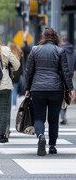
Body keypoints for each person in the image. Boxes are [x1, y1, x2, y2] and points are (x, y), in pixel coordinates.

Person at [25, 28, 75, 156]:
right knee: (53, 120)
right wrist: (71, 89)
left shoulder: (35, 50)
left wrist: (27, 88)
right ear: (55, 37)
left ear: (43, 36)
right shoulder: (60, 51)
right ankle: (52, 146)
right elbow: (65, 72)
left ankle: (41, 136)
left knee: (39, 117)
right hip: (55, 89)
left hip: (38, 89)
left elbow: (29, 71)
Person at [59, 36, 76, 125]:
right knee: (65, 96)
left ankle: (60, 113)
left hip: (60, 76)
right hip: (69, 76)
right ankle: (63, 113)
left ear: (62, 41)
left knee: (59, 95)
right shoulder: (74, 52)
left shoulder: (60, 50)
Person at [8, 42, 23, 110]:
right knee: (15, 90)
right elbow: (21, 66)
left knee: (9, 90)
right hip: (17, 75)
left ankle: (9, 103)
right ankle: (14, 105)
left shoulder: (9, 54)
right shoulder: (19, 55)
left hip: (10, 74)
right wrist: (21, 74)